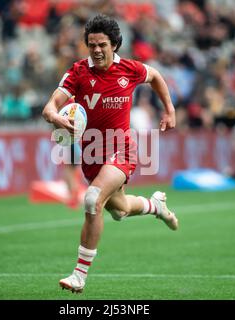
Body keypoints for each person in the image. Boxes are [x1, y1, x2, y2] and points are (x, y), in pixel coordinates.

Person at [42, 14, 178, 293]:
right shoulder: (78, 72)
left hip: (123, 149)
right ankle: (156, 206)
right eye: (91, 45)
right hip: (92, 156)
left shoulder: (129, 69)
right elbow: (50, 106)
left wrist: (169, 109)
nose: (96, 50)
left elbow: (156, 77)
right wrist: (55, 117)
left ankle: (79, 275)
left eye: (102, 44)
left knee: (92, 200)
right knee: (121, 209)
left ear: (114, 44)